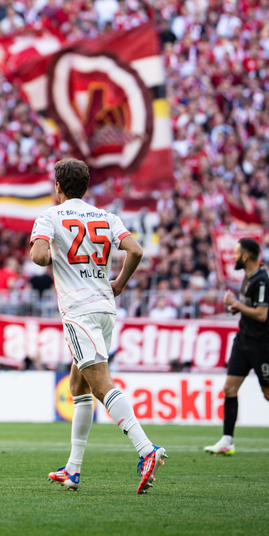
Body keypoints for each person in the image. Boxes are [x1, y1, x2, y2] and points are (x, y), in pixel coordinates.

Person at [30, 158, 165, 495]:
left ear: (58, 187)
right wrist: (119, 283)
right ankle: (73, 469)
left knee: (101, 384)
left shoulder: (50, 216)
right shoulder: (107, 217)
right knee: (79, 386)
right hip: (105, 307)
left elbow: (39, 256)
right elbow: (135, 250)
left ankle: (147, 449)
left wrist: (47, 256)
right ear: (86, 187)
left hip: (78, 310)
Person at [205, 238, 269, 458]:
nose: (234, 257)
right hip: (243, 341)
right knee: (229, 389)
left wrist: (237, 304)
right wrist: (237, 309)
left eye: (237, 253)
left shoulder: (261, 279)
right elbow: (251, 309)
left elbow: (261, 314)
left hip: (261, 345)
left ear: (246, 256)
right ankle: (227, 441)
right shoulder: (249, 277)